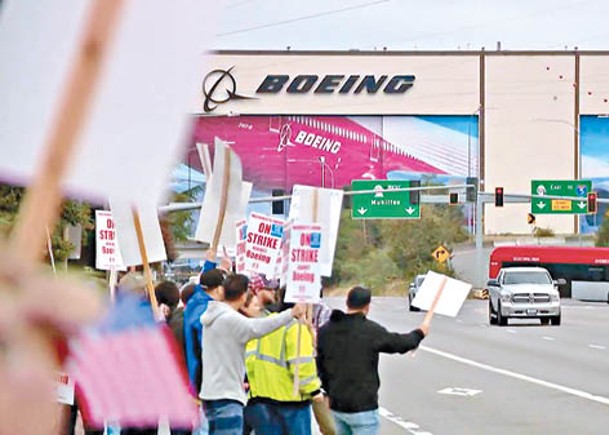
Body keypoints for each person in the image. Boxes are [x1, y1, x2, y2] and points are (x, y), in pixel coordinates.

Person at [200, 274, 306, 434]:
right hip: (226, 396)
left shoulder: (213, 316)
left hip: (211, 393)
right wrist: (291, 313)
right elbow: (259, 327)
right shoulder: (229, 319)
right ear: (243, 296)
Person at [316, 286, 430, 435]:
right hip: (363, 406)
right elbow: (399, 343)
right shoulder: (370, 330)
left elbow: (320, 364)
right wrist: (420, 333)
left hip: (337, 404)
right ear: (367, 307)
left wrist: (327, 391)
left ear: (347, 302)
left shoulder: (326, 330)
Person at [243, 290, 324, 435]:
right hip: (292, 400)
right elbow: (302, 365)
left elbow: (250, 358)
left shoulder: (266, 322)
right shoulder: (295, 327)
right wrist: (314, 391)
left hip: (264, 398)